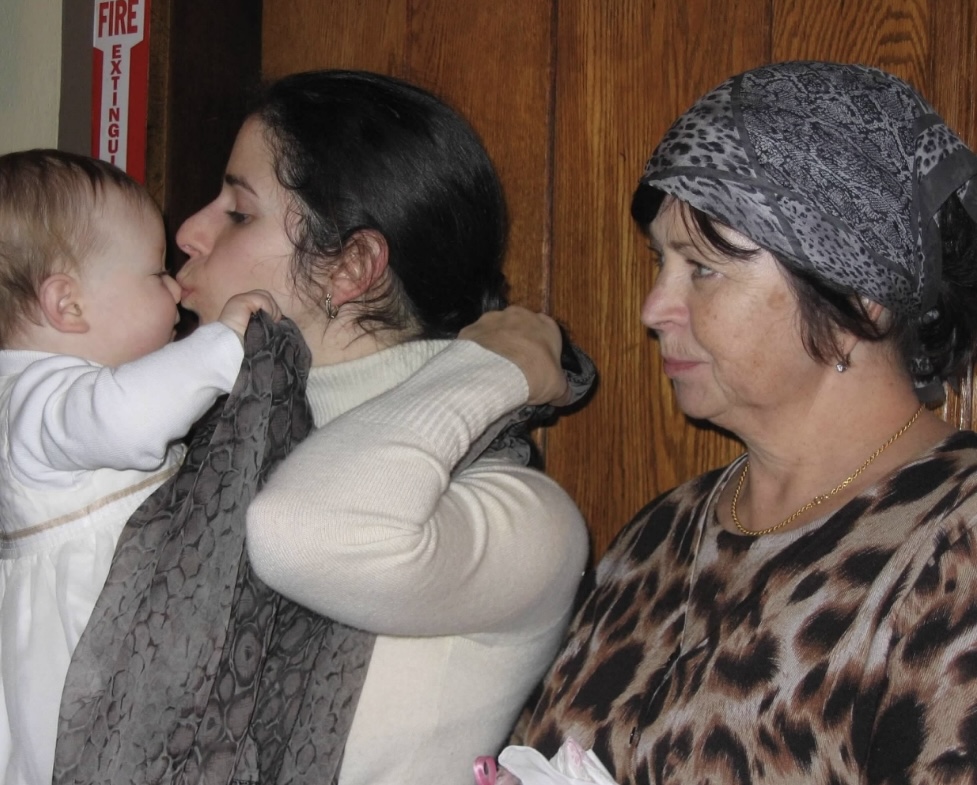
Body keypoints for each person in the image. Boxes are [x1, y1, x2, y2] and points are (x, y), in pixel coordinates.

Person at [510, 61, 977, 784]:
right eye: (660, 262)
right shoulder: (662, 533)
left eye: (702, 266)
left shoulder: (957, 540)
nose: (652, 307)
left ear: (860, 294)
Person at [170, 70, 591, 784]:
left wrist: (492, 368)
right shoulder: (207, 457)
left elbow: (301, 530)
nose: (188, 231)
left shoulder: (522, 517)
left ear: (352, 266)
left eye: (239, 212)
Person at [0, 149, 278, 785]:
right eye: (156, 274)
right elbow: (126, 416)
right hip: (84, 661)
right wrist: (222, 343)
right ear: (67, 305)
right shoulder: (40, 402)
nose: (177, 286)